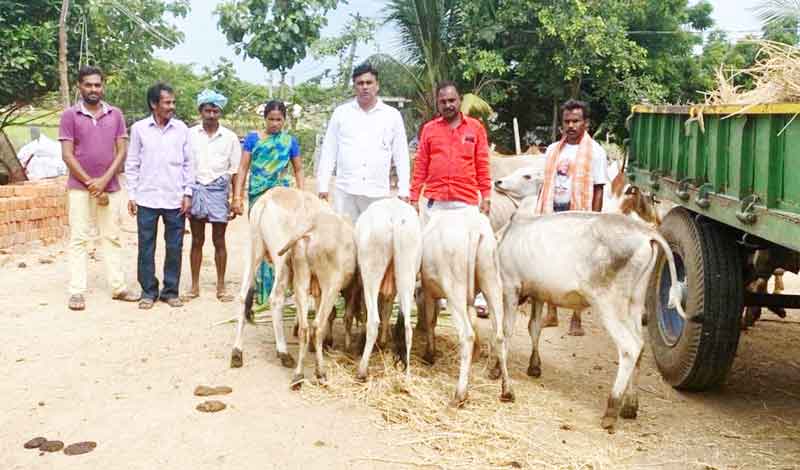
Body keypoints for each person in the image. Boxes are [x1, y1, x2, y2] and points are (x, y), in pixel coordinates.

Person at [59, 65, 140, 311]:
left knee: (112, 237)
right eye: (88, 85)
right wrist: (91, 183)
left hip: (110, 186)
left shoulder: (115, 114)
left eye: (97, 84)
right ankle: (76, 291)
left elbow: (121, 151)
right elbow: (67, 155)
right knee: (79, 238)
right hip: (79, 187)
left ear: (102, 86)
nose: (93, 89)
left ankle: (118, 288)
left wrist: (104, 181)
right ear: (79, 87)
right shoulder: (70, 115)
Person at [409, 80, 492, 316]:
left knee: (472, 251)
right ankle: (436, 295)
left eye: (452, 100)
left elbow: (482, 163)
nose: (448, 105)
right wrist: (414, 197)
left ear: (459, 100)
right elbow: (421, 165)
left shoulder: (475, 128)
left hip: (465, 202)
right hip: (436, 203)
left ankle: (476, 296)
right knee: (430, 253)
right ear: (438, 103)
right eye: (443, 101)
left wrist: (486, 195)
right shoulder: (429, 129)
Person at [536, 99, 609, 335]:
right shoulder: (552, 150)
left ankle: (576, 318)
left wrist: (593, 221)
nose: (570, 125)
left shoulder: (596, 152)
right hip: (554, 212)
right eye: (567, 121)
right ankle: (551, 313)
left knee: (579, 266)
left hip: (580, 216)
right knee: (549, 262)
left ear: (586, 123)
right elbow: (545, 184)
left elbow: (599, 188)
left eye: (576, 121)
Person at [125, 83, 193, 310]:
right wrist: (132, 194)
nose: (172, 106)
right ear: (154, 104)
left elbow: (189, 163)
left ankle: (170, 291)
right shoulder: (139, 129)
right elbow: (132, 163)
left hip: (175, 198)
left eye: (173, 102)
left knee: (174, 246)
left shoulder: (182, 129)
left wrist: (188, 193)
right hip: (147, 198)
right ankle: (148, 291)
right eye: (167, 102)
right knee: (146, 247)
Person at [316, 62, 410, 221]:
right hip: (346, 191)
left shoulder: (392, 115)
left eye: (369, 82)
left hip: (377, 193)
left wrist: (404, 190)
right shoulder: (341, 114)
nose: (365, 87)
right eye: (360, 83)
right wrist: (323, 185)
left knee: (376, 235)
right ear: (354, 87)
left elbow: (401, 154)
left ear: (377, 85)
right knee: (346, 234)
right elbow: (329, 151)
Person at [232, 101, 303, 307]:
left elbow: (298, 169)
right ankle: (260, 289)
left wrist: (301, 196)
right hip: (258, 196)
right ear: (264, 119)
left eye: (279, 119)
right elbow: (243, 168)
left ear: (284, 120)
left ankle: (280, 288)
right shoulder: (253, 139)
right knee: (259, 240)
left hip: (282, 198)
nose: (274, 123)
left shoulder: (290, 141)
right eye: (271, 119)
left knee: (281, 242)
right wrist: (237, 196)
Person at [185, 89, 241, 303]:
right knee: (197, 240)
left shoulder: (230, 137)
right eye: (207, 110)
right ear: (200, 111)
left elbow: (235, 171)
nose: (211, 115)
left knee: (219, 240)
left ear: (220, 113)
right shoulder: (190, 135)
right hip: (196, 189)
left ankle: (221, 286)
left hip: (219, 191)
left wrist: (236, 199)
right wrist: (185, 195)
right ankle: (194, 286)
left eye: (215, 111)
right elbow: (184, 166)